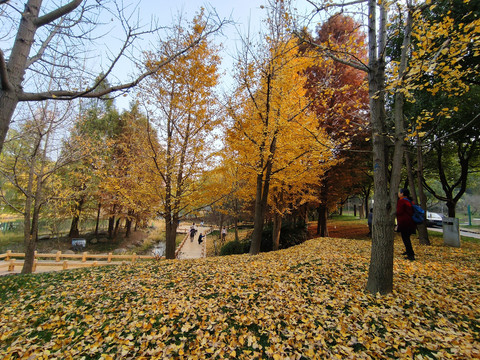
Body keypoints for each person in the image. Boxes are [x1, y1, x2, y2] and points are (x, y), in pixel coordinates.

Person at [396, 188, 416, 261]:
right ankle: (409, 251)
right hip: (411, 222)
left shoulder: (402, 201)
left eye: (399, 192)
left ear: (402, 193)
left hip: (404, 223)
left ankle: (410, 255)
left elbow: (399, 212)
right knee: (407, 238)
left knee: (406, 239)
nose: (398, 193)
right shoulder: (410, 201)